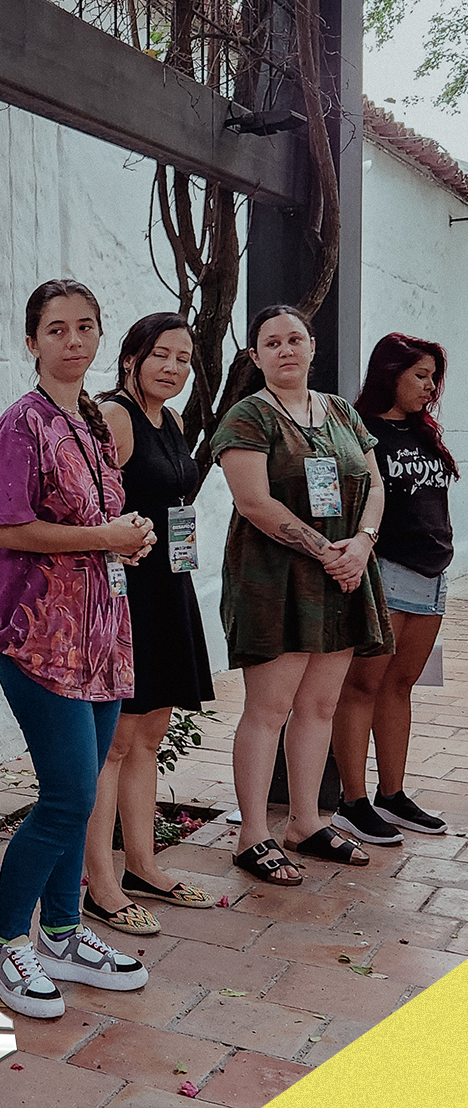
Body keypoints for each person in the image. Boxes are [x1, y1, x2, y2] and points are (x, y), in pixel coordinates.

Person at [0, 279, 153, 1019]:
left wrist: (127, 539)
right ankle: (3, 943)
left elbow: (100, 524)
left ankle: (63, 930)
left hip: (103, 638)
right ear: (32, 341)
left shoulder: (94, 422)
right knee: (69, 797)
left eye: (85, 327)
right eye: (56, 329)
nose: (72, 341)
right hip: (39, 640)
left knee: (80, 800)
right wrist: (102, 538)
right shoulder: (24, 423)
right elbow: (4, 528)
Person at [213, 304, 392, 888]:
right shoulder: (248, 417)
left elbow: (374, 481)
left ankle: (305, 821)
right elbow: (255, 503)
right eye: (272, 343)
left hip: (342, 574)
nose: (286, 350)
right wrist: (330, 553)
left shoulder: (340, 411)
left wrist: (362, 544)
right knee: (269, 710)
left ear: (313, 347)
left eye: (295, 339)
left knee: (318, 707)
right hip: (274, 582)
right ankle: (252, 835)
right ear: (255, 356)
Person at [81, 314, 216, 935]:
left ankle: (142, 865)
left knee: (147, 740)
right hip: (126, 594)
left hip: (169, 590)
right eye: (161, 354)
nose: (172, 367)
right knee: (111, 744)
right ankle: (100, 885)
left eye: (183, 359)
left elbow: (176, 504)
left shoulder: (175, 421)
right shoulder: (115, 417)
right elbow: (95, 509)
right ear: (132, 357)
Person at [332, 334, 458, 843]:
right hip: (386, 570)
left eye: (433, 378)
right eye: (421, 376)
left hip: (433, 573)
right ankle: (352, 802)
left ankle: (393, 794)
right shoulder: (361, 430)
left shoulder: (424, 432)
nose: (430, 387)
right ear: (391, 373)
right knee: (361, 686)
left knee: (401, 686)